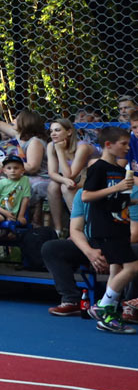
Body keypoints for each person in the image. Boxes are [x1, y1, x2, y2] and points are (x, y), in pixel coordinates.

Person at [77, 129, 136, 332]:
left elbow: (118, 202)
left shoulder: (120, 170)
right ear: (108, 145)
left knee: (116, 269)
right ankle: (104, 306)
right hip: (105, 227)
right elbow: (86, 196)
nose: (127, 148)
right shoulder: (99, 167)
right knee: (132, 267)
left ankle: (109, 316)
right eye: (123, 144)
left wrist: (132, 199)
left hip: (120, 224)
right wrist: (116, 188)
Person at [0, 155, 35, 251]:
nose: (12, 171)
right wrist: (5, 213)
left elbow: (25, 198)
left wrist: (21, 216)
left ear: (23, 170)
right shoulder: (0, 183)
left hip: (5, 210)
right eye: (9, 168)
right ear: (4, 170)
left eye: (16, 168)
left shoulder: (24, 180)